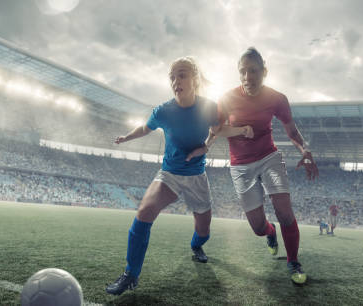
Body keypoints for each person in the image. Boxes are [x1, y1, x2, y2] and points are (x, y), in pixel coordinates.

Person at [104, 56, 253, 295]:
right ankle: (131, 274)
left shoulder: (209, 107)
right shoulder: (163, 110)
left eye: (182, 75)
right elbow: (145, 128)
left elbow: (217, 130)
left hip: (197, 176)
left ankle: (196, 247)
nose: (176, 80)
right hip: (170, 173)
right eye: (172, 77)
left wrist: (233, 134)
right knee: (144, 212)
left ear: (194, 79)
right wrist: (126, 137)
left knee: (203, 230)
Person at [201, 47, 319, 285]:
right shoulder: (226, 98)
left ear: (264, 72)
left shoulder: (277, 99)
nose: (247, 77)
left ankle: (293, 262)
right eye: (243, 72)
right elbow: (216, 130)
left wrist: (304, 150)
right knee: (257, 227)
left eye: (253, 71)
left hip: (269, 158)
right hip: (240, 167)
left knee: (285, 211)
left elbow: (292, 131)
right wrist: (205, 147)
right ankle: (271, 233)